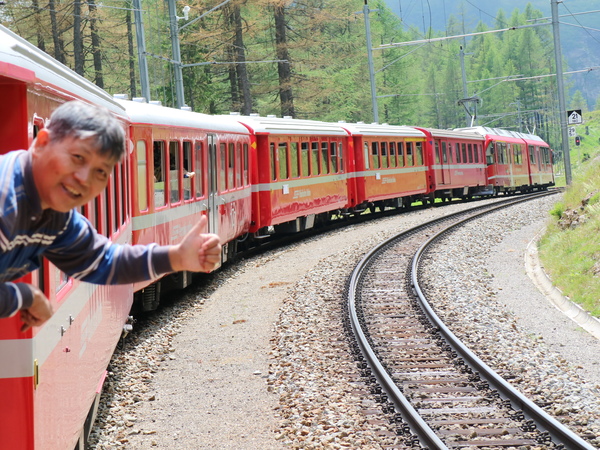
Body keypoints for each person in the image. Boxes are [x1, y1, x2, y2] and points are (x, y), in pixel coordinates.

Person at [0, 101, 221, 331]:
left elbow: (101, 261)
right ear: (41, 143)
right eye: (77, 157)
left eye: (100, 171)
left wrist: (176, 257)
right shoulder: (6, 201)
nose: (84, 178)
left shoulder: (53, 213)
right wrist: (24, 295)